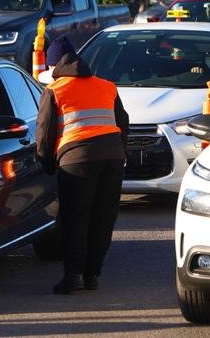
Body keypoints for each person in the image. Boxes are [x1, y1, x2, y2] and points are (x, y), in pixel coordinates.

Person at [36, 35, 130, 295]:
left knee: (75, 218)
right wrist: (118, 150)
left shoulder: (55, 90)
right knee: (103, 217)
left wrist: (46, 162)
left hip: (76, 160)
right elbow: (123, 123)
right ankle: (92, 275)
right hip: (112, 158)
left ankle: (73, 275)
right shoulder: (107, 86)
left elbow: (44, 132)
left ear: (54, 66)